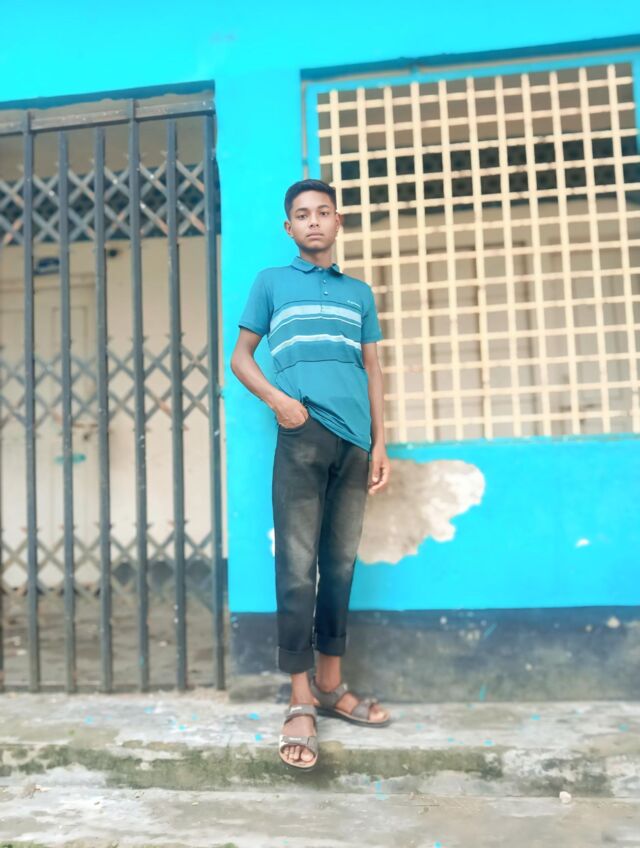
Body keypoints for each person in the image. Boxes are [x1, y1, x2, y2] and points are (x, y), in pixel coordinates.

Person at [230, 178, 391, 772]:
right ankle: (300, 699)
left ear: (337, 221)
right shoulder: (271, 283)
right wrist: (280, 402)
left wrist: (380, 442)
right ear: (289, 227)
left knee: (340, 565)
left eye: (324, 212)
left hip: (355, 443)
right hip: (302, 435)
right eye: (303, 214)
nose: (314, 221)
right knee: (298, 568)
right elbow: (240, 357)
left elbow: (372, 369)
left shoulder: (358, 293)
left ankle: (330, 684)